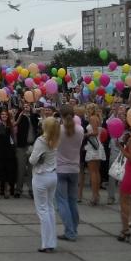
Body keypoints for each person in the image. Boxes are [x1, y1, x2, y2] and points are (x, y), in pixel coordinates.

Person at [29, 116, 60, 253]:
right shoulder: (56, 138)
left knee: (42, 210)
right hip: (52, 175)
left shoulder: (41, 140)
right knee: (49, 207)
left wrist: (34, 155)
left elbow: (32, 160)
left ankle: (47, 243)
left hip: (41, 176)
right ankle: (51, 241)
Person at [56, 104, 85, 242]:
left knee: (62, 201)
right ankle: (74, 228)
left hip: (60, 168)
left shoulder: (58, 130)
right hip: (74, 168)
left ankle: (69, 231)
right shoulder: (80, 129)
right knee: (72, 201)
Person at [0, 109, 17, 199]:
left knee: (7, 169)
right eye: (2, 114)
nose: (4, 116)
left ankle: (7, 189)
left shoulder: (10, 125)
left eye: (5, 115)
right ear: (0, 116)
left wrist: (14, 147)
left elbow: (13, 137)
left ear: (8, 116)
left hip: (8, 149)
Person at [13, 103, 37, 198]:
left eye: (28, 106)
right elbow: (14, 123)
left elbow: (37, 125)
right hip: (21, 146)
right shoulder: (20, 116)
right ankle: (18, 189)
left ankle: (31, 190)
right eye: (24, 106)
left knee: (31, 170)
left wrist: (32, 115)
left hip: (32, 146)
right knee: (21, 169)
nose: (26, 107)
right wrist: (21, 115)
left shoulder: (34, 116)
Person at [83, 106, 105, 205]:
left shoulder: (92, 118)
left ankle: (94, 196)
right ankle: (97, 195)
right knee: (96, 172)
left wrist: (86, 135)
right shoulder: (98, 118)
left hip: (93, 146)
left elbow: (95, 132)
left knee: (92, 172)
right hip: (98, 145)